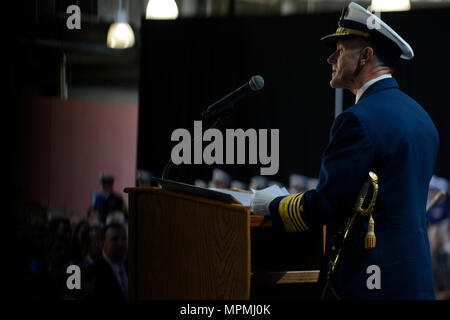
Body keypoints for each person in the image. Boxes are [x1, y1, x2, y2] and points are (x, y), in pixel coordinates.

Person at [251, 2, 439, 300]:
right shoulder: (422, 118)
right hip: (413, 280)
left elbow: (327, 204)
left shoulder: (357, 120)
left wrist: (273, 204)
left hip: (367, 282)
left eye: (340, 49)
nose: (330, 58)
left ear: (365, 56)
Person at [92, 222, 128, 300]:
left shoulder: (130, 266)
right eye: (115, 239)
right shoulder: (95, 272)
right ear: (102, 244)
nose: (120, 244)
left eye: (124, 239)